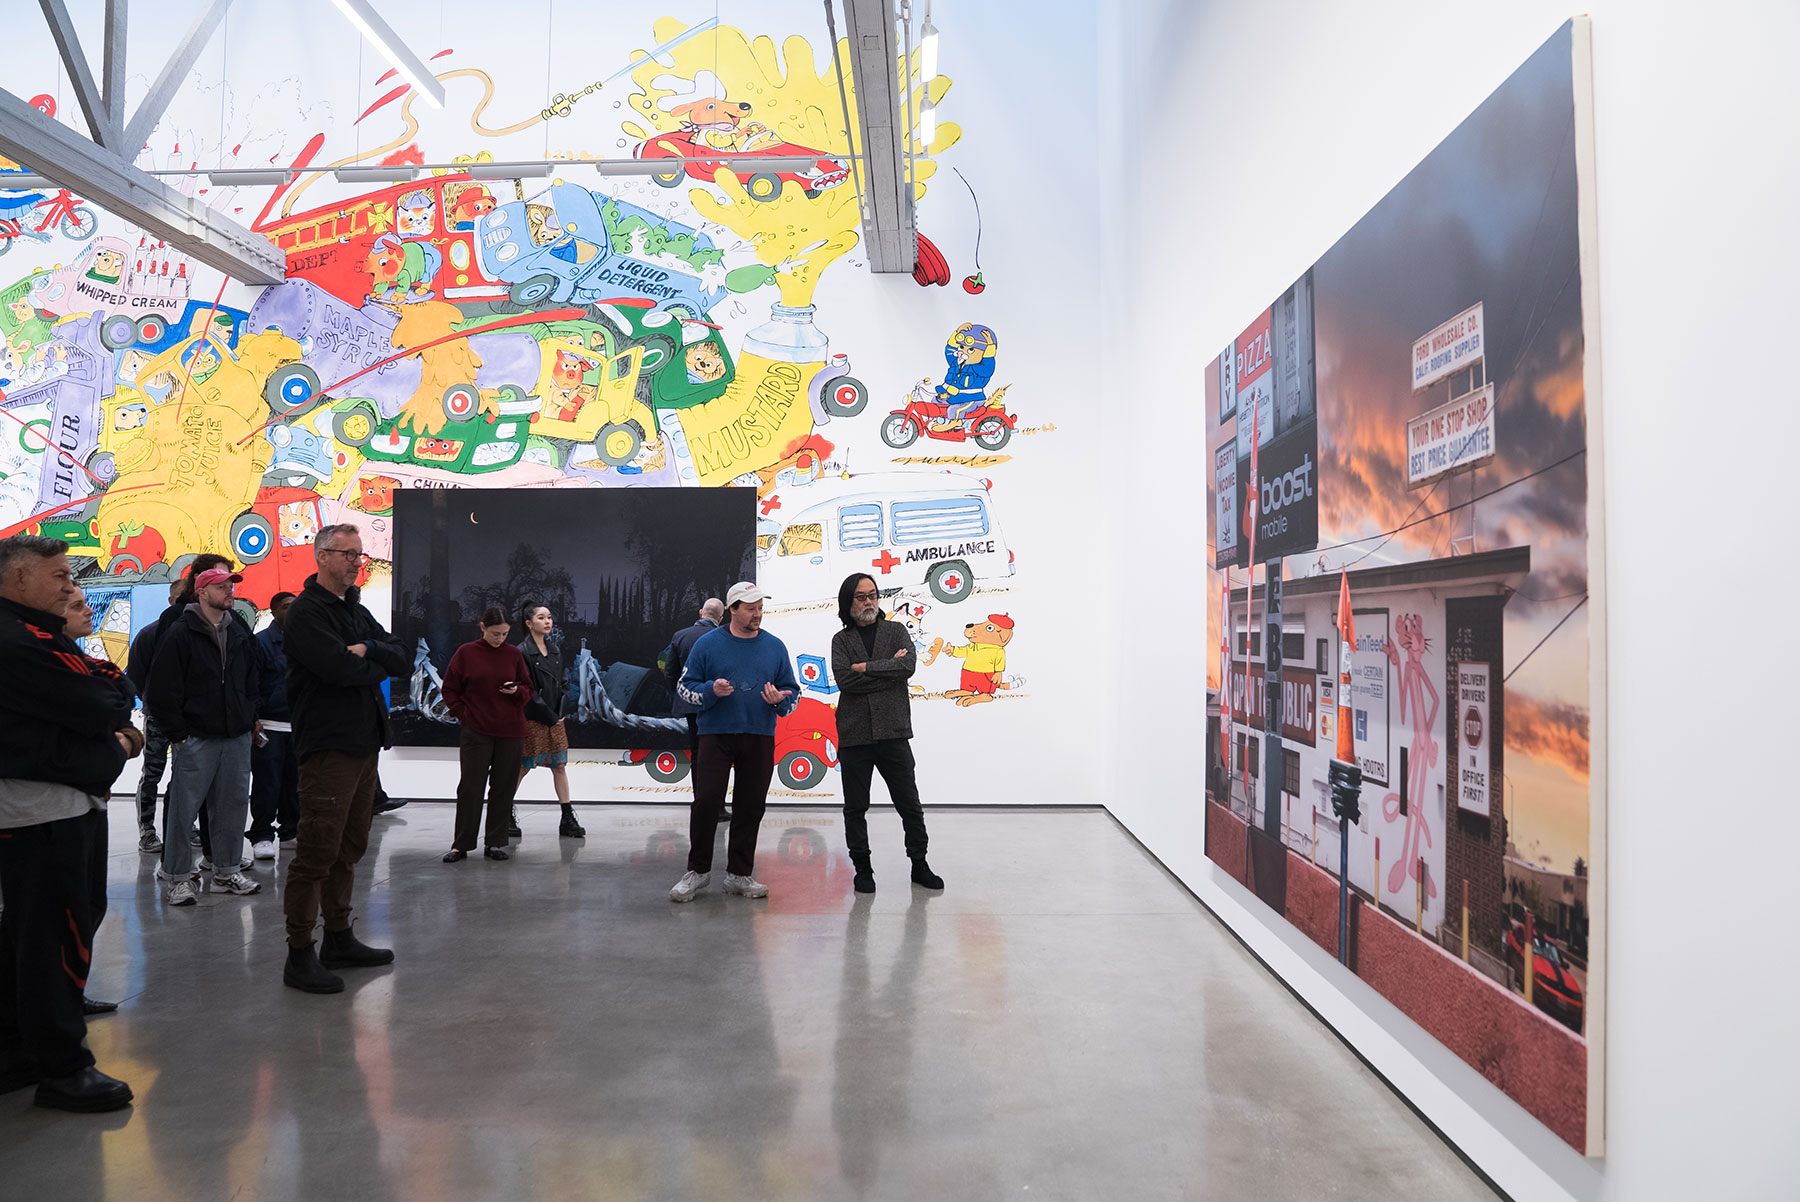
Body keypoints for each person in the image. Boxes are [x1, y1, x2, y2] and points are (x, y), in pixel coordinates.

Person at [0, 534, 141, 1112]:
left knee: (32, 937)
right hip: (41, 812)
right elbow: (100, 703)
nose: (69, 586)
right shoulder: (18, 640)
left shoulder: (40, 635)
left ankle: (20, 1052)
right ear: (19, 579)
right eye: (58, 575)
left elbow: (113, 687)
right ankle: (64, 1068)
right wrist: (117, 744)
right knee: (53, 940)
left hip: (60, 804)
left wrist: (106, 721)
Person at [281, 524, 407, 994]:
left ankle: (338, 936)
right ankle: (299, 953)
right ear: (322, 556)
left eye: (360, 555)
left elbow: (401, 656)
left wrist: (369, 649)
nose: (357, 562)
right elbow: (338, 669)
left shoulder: (355, 609)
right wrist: (373, 665)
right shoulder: (306, 613)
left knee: (349, 848)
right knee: (317, 851)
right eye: (348, 554)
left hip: (362, 744)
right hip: (329, 747)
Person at [668, 582, 798, 903]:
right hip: (716, 734)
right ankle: (697, 871)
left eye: (760, 608)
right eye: (751, 608)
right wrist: (711, 690)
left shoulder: (775, 646)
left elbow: (792, 692)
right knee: (706, 802)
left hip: (759, 734)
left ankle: (739, 875)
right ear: (733, 610)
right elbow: (685, 687)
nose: (758, 614)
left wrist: (780, 700)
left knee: (750, 806)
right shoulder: (708, 644)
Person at [146, 567, 261, 901]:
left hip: (235, 735)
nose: (229, 591)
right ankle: (178, 877)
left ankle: (226, 871)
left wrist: (249, 715)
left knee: (233, 807)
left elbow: (253, 677)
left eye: (230, 586)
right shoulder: (181, 632)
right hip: (196, 736)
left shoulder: (237, 630)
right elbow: (162, 688)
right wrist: (178, 734)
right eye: (221, 586)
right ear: (202, 592)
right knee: (183, 811)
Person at [829, 574, 943, 893]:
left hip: (893, 732)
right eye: (861, 597)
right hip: (855, 734)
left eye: (872, 595)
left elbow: (907, 668)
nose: (869, 601)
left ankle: (919, 865)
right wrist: (887, 670)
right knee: (855, 808)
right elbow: (845, 681)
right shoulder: (841, 641)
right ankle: (862, 869)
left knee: (909, 804)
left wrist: (865, 667)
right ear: (848, 602)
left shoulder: (896, 631)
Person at [61, 593, 144, 1016]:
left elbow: (120, 704)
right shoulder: (42, 667)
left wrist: (123, 737)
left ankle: (68, 992)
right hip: (57, 806)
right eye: (76, 605)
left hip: (93, 799)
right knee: (60, 910)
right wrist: (118, 739)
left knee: (90, 904)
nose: (88, 609)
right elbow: (99, 713)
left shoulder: (91, 667)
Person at [441, 607, 532, 863]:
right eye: (495, 633)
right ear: (482, 627)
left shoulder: (513, 654)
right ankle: (461, 845)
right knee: (470, 788)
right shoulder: (466, 653)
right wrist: (464, 714)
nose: (499, 639)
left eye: (504, 634)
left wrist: (516, 692)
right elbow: (449, 689)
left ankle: (495, 842)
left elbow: (528, 689)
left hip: (510, 730)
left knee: (503, 788)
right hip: (476, 730)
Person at [516, 602, 584, 839]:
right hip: (533, 718)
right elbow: (527, 690)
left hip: (555, 718)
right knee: (523, 766)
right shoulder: (522, 652)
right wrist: (549, 715)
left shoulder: (554, 650)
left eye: (549, 617)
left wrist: (560, 710)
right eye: (541, 618)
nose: (547, 622)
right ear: (529, 623)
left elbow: (562, 683)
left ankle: (567, 818)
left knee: (559, 766)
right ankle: (504, 813)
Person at [126, 578, 182, 853]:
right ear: (171, 601)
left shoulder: (197, 633)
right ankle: (147, 831)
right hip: (158, 717)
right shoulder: (150, 634)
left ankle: (185, 827)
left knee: (186, 776)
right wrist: (153, 702)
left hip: (189, 719)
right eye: (181, 598)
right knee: (152, 774)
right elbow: (135, 677)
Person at [664, 597, 727, 822]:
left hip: (690, 705)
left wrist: (679, 695)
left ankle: (701, 805)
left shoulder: (680, 636)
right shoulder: (723, 637)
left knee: (697, 754)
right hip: (717, 705)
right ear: (721, 618)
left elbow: (670, 673)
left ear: (701, 612)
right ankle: (718, 808)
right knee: (719, 756)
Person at [249, 591, 300, 859]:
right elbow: (251, 683)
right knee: (267, 784)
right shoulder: (261, 643)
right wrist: (254, 719)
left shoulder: (306, 641)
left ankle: (291, 832)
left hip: (298, 725)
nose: (293, 611)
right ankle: (262, 835)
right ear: (274, 612)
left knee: (295, 783)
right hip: (269, 724)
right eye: (287, 607)